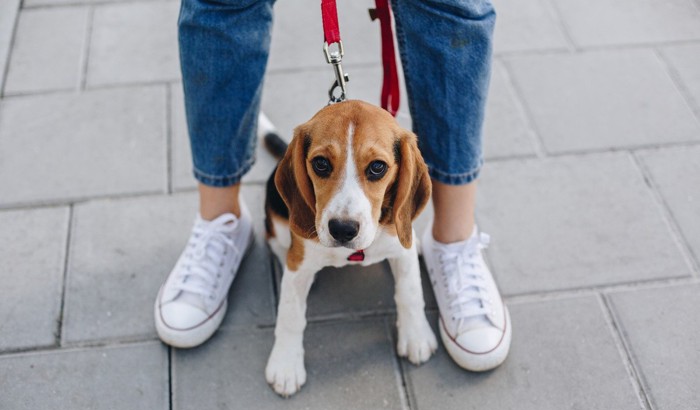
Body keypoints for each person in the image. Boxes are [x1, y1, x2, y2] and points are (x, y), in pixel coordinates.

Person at [155, 0, 511, 372]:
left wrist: (413, 318)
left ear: (402, 175)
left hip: (386, 226)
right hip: (305, 222)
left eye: (376, 169)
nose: (344, 215)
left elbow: (403, 256)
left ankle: (452, 242)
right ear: (303, 164)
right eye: (322, 165)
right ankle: (222, 223)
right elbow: (297, 272)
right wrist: (287, 343)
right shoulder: (308, 202)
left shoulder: (396, 207)